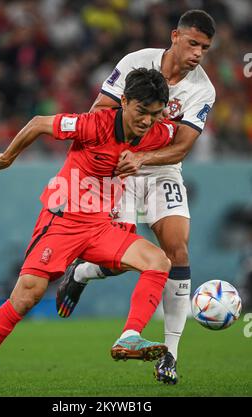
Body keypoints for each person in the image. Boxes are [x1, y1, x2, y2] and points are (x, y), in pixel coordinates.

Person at [0, 68, 177, 391]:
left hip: (101, 226)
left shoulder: (157, 131)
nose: (146, 121)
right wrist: (7, 158)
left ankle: (130, 336)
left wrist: (151, 152)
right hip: (62, 220)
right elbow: (37, 124)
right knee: (26, 296)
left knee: (159, 262)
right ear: (125, 101)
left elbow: (180, 134)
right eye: (141, 112)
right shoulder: (93, 125)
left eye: (154, 114)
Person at [56, 9, 216, 385]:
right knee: (118, 258)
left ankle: (170, 356)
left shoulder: (203, 89)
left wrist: (144, 153)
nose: (197, 53)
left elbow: (180, 148)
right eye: (193, 43)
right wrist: (126, 147)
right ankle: (81, 272)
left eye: (205, 48)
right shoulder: (136, 62)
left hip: (160, 168)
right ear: (175, 36)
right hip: (119, 167)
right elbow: (100, 112)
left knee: (177, 251)